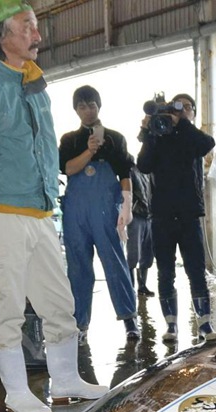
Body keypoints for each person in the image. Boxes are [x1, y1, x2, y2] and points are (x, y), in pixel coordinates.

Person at [0, 0, 108, 412]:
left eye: (36, 27)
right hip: (0, 213)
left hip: (39, 214)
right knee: (7, 307)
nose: (37, 36)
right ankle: (16, 392)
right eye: (27, 27)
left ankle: (67, 381)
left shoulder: (37, 88)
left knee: (59, 302)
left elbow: (46, 151)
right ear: (2, 37)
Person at [59, 85, 139, 344]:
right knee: (78, 267)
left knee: (115, 262)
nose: (87, 111)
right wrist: (90, 150)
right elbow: (68, 169)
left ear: (99, 106)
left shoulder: (115, 138)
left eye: (91, 105)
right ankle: (80, 323)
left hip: (106, 209)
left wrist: (126, 205)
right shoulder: (69, 139)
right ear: (76, 110)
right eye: (82, 106)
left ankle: (129, 319)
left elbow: (125, 174)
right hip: (76, 212)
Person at [137, 93, 216, 342]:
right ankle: (171, 325)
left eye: (186, 108)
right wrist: (149, 131)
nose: (180, 111)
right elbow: (144, 165)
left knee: (196, 270)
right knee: (165, 272)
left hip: (189, 213)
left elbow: (208, 143)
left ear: (192, 112)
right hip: (161, 214)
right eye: (177, 107)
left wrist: (181, 121)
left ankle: (205, 324)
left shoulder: (190, 136)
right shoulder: (157, 136)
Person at [126, 165, 155, 297]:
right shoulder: (131, 171)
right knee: (133, 255)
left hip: (149, 217)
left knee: (148, 255)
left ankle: (142, 286)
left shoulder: (150, 173)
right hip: (136, 216)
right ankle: (130, 287)